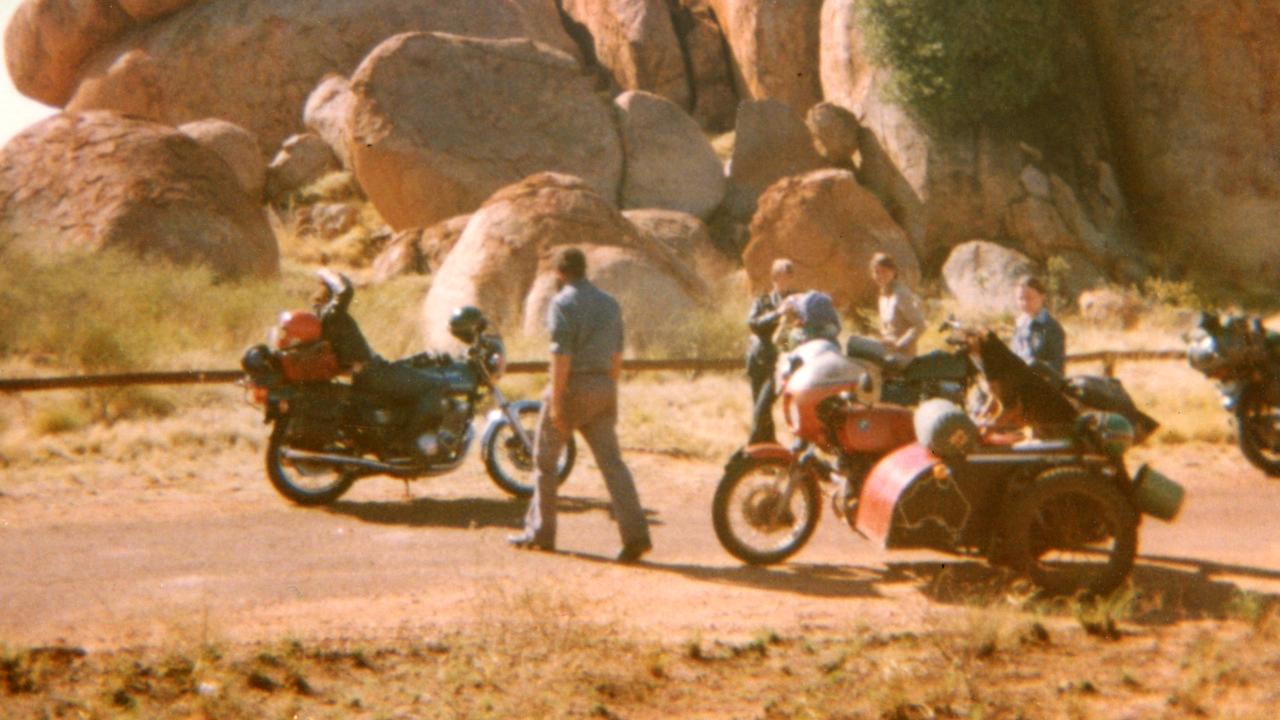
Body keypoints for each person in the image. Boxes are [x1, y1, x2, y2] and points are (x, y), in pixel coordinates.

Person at [508, 247, 652, 562]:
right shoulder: (610, 304)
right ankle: (636, 536)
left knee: (545, 462)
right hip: (603, 386)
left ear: (560, 273)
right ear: (584, 270)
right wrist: (610, 389)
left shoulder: (562, 303)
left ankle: (541, 533)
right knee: (613, 465)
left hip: (572, 387)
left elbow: (561, 357)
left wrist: (557, 401)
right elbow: (617, 355)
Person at [312, 270, 446, 456]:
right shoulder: (332, 314)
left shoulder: (323, 314)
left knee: (412, 370)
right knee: (434, 385)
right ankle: (409, 443)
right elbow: (346, 291)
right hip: (373, 373)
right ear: (331, 293)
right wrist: (327, 273)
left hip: (372, 371)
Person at [745, 258, 798, 445]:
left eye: (789, 276)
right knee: (760, 406)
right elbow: (753, 324)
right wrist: (777, 313)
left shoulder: (796, 301)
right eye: (783, 276)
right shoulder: (763, 300)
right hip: (758, 358)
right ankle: (768, 445)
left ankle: (753, 448)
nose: (786, 281)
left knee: (764, 405)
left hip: (780, 362)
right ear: (774, 278)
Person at [870, 253, 925, 361]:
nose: (880, 276)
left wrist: (899, 344)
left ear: (893, 272)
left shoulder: (900, 294)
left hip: (903, 355)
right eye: (877, 272)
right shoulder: (883, 295)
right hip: (888, 352)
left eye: (884, 271)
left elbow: (920, 325)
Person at [1011, 276, 1066, 376]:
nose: (1025, 303)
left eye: (1029, 298)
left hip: (1044, 385)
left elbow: (1057, 366)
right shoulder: (1019, 326)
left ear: (1042, 296)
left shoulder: (1051, 327)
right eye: (1020, 299)